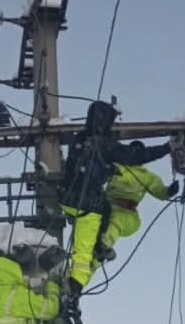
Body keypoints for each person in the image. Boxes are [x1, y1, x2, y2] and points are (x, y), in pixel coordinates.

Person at [60, 100, 172, 296]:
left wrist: (169, 191)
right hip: (87, 206)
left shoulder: (80, 138)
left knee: (107, 213)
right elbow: (134, 155)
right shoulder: (105, 145)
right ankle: (73, 293)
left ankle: (99, 246)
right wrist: (167, 148)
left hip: (67, 198)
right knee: (83, 257)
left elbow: (158, 189)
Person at [97, 152, 179, 263]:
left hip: (127, 214)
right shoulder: (118, 167)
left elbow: (159, 190)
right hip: (105, 208)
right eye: (133, 150)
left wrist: (169, 191)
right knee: (91, 232)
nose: (135, 153)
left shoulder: (146, 176)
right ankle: (87, 266)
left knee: (116, 220)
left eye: (138, 151)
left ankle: (104, 244)